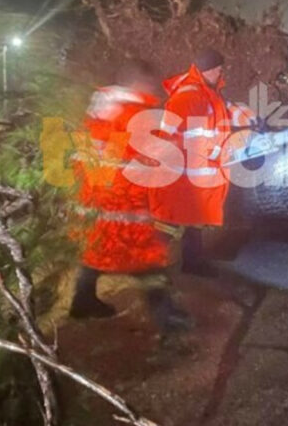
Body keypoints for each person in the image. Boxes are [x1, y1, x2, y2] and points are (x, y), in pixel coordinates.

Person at [70, 60, 192, 334]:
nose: (154, 89)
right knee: (148, 261)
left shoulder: (97, 111)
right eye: (151, 84)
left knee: (95, 252)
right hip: (125, 204)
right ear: (139, 83)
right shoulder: (136, 113)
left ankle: (82, 301)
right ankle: (167, 318)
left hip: (94, 202)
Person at [150, 48, 234, 277]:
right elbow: (169, 134)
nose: (220, 71)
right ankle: (147, 267)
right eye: (217, 68)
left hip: (198, 171)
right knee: (169, 222)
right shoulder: (189, 95)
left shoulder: (208, 93)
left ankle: (193, 264)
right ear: (206, 69)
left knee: (195, 220)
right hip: (181, 173)